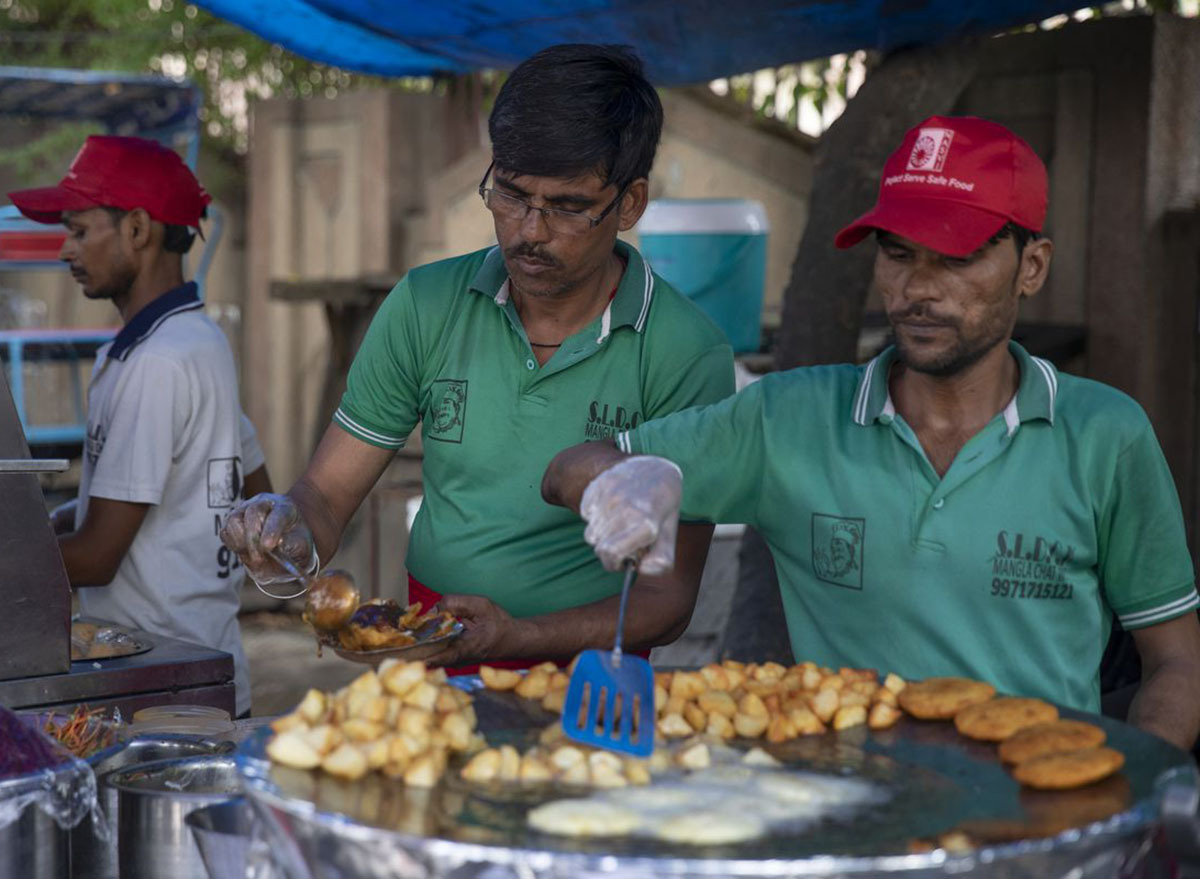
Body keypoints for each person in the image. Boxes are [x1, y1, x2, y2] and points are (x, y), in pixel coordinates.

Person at [542, 115, 1200, 751]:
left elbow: (1175, 661)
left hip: (1039, 834)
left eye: (957, 257)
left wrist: (1135, 784)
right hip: (852, 817)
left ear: (1032, 266)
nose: (919, 287)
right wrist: (622, 484)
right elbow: (566, 468)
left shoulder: (1105, 436)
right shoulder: (789, 419)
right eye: (898, 253)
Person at [220, 44, 735, 670]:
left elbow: (668, 600)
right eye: (511, 195)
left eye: (568, 207)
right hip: (430, 661)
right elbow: (326, 496)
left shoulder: (685, 351)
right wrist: (285, 529)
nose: (529, 231)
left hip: (589, 687)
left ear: (629, 204)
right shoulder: (425, 306)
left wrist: (517, 637)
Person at [8, 135, 271, 717]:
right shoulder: (192, 342)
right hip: (200, 661)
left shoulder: (157, 361)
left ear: (136, 229)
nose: (64, 251)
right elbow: (253, 480)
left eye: (79, 231)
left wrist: (14, 558)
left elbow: (100, 555)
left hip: (164, 684)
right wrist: (44, 524)